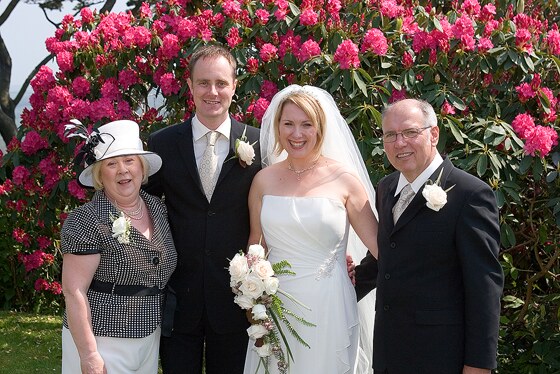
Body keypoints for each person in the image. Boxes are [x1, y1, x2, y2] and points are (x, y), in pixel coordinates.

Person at [355, 98, 504, 373]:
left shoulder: (470, 195)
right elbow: (387, 254)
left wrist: (478, 365)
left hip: (441, 355)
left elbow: (484, 288)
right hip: (389, 351)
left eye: (410, 132)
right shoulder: (386, 188)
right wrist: (342, 284)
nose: (399, 143)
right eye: (390, 135)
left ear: (433, 134)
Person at [243, 85, 379, 374]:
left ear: (320, 128)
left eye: (307, 125)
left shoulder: (345, 179)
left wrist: (356, 274)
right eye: (288, 124)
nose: (297, 134)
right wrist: (250, 297)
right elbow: (256, 247)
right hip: (275, 309)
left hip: (331, 304)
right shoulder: (263, 181)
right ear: (277, 128)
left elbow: (382, 248)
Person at [145, 44, 261, 373]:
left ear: (235, 86)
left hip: (237, 302)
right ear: (191, 85)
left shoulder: (259, 143)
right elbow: (143, 206)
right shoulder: (162, 143)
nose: (213, 92)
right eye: (204, 82)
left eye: (221, 83)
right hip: (178, 298)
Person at [61, 119, 177, 374]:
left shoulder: (157, 208)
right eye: (111, 164)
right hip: (102, 340)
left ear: (142, 167)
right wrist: (89, 355)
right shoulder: (85, 220)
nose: (123, 170)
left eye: (129, 160)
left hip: (149, 337)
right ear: (100, 174)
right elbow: (74, 291)